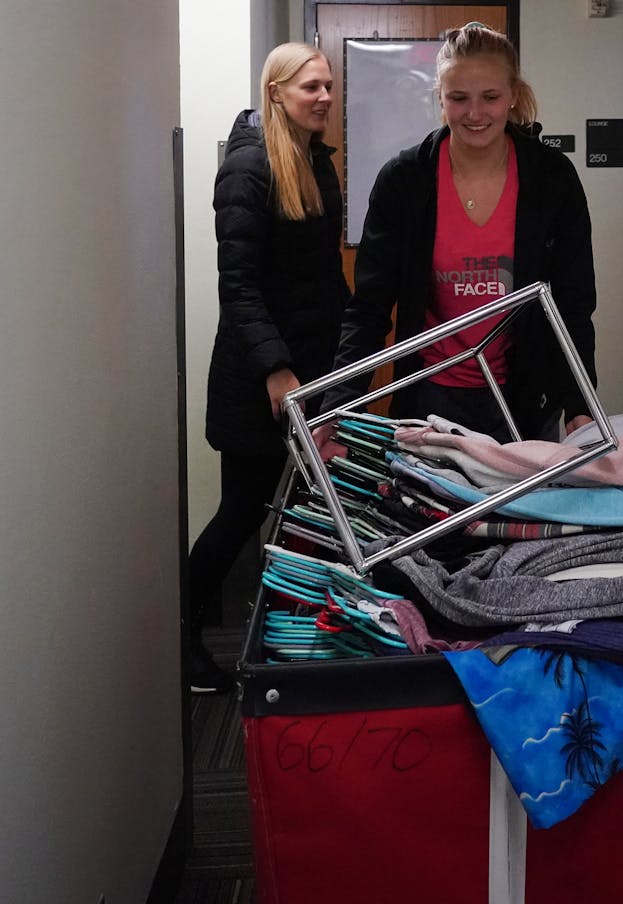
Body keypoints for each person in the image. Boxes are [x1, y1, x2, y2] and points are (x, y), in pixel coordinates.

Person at [321, 22, 597, 442]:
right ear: (440, 98)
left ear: (514, 96)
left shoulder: (552, 179)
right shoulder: (404, 181)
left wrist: (580, 402)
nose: (474, 113)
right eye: (458, 98)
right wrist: (337, 405)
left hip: (524, 400)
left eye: (490, 97)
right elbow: (369, 308)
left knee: (519, 509)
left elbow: (573, 305)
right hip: (430, 400)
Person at [188, 43, 348, 693]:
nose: (325, 97)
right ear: (276, 91)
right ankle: (186, 635)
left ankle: (297, 636)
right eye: (311, 86)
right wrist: (277, 370)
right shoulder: (248, 169)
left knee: (310, 506)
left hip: (312, 374)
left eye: (330, 86)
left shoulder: (317, 161)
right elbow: (240, 288)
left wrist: (346, 359)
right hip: (258, 380)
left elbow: (322, 276)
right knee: (242, 510)